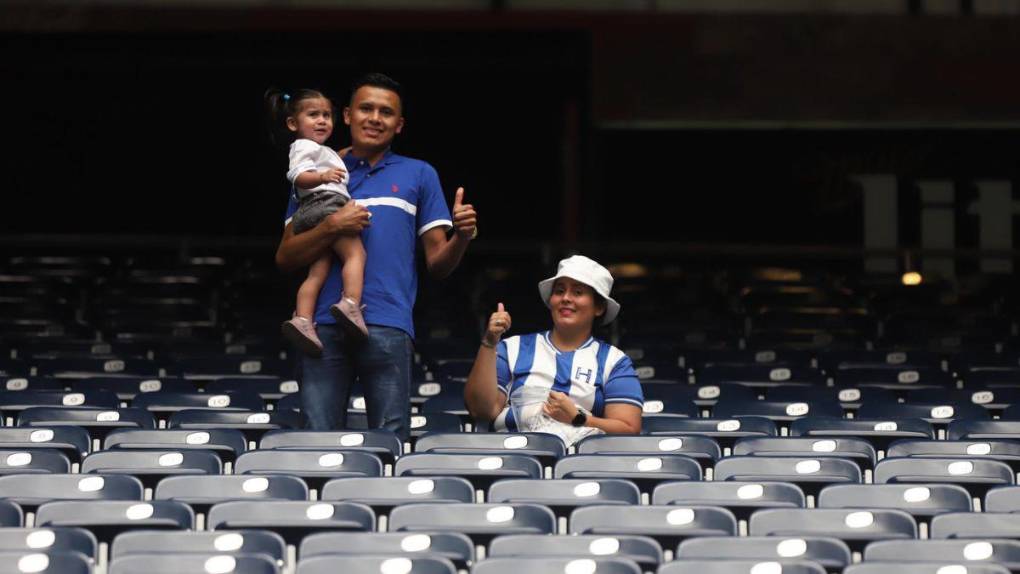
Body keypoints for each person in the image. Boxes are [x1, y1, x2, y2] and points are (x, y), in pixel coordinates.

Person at [275, 73, 478, 441]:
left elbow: (438, 264)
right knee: (315, 440)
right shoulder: (314, 172)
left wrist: (462, 237)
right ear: (347, 115)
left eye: (386, 112)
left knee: (390, 439)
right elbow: (286, 257)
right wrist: (332, 226)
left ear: (399, 124)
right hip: (321, 327)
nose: (374, 118)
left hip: (388, 322)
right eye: (365, 108)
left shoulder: (419, 173)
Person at [464, 255, 644, 445]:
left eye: (578, 292)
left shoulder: (614, 362)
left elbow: (629, 430)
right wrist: (489, 343)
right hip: (511, 454)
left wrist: (578, 418)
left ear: (598, 307)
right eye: (560, 291)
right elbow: (481, 411)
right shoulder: (512, 348)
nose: (566, 298)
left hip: (579, 460)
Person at [266, 88, 370, 358]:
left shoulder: (320, 150)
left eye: (326, 115)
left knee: (317, 272)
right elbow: (297, 175)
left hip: (311, 213)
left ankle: (303, 318)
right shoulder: (303, 146)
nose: (322, 120)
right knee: (355, 255)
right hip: (325, 204)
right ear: (293, 123)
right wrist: (322, 177)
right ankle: (350, 302)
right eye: (313, 115)